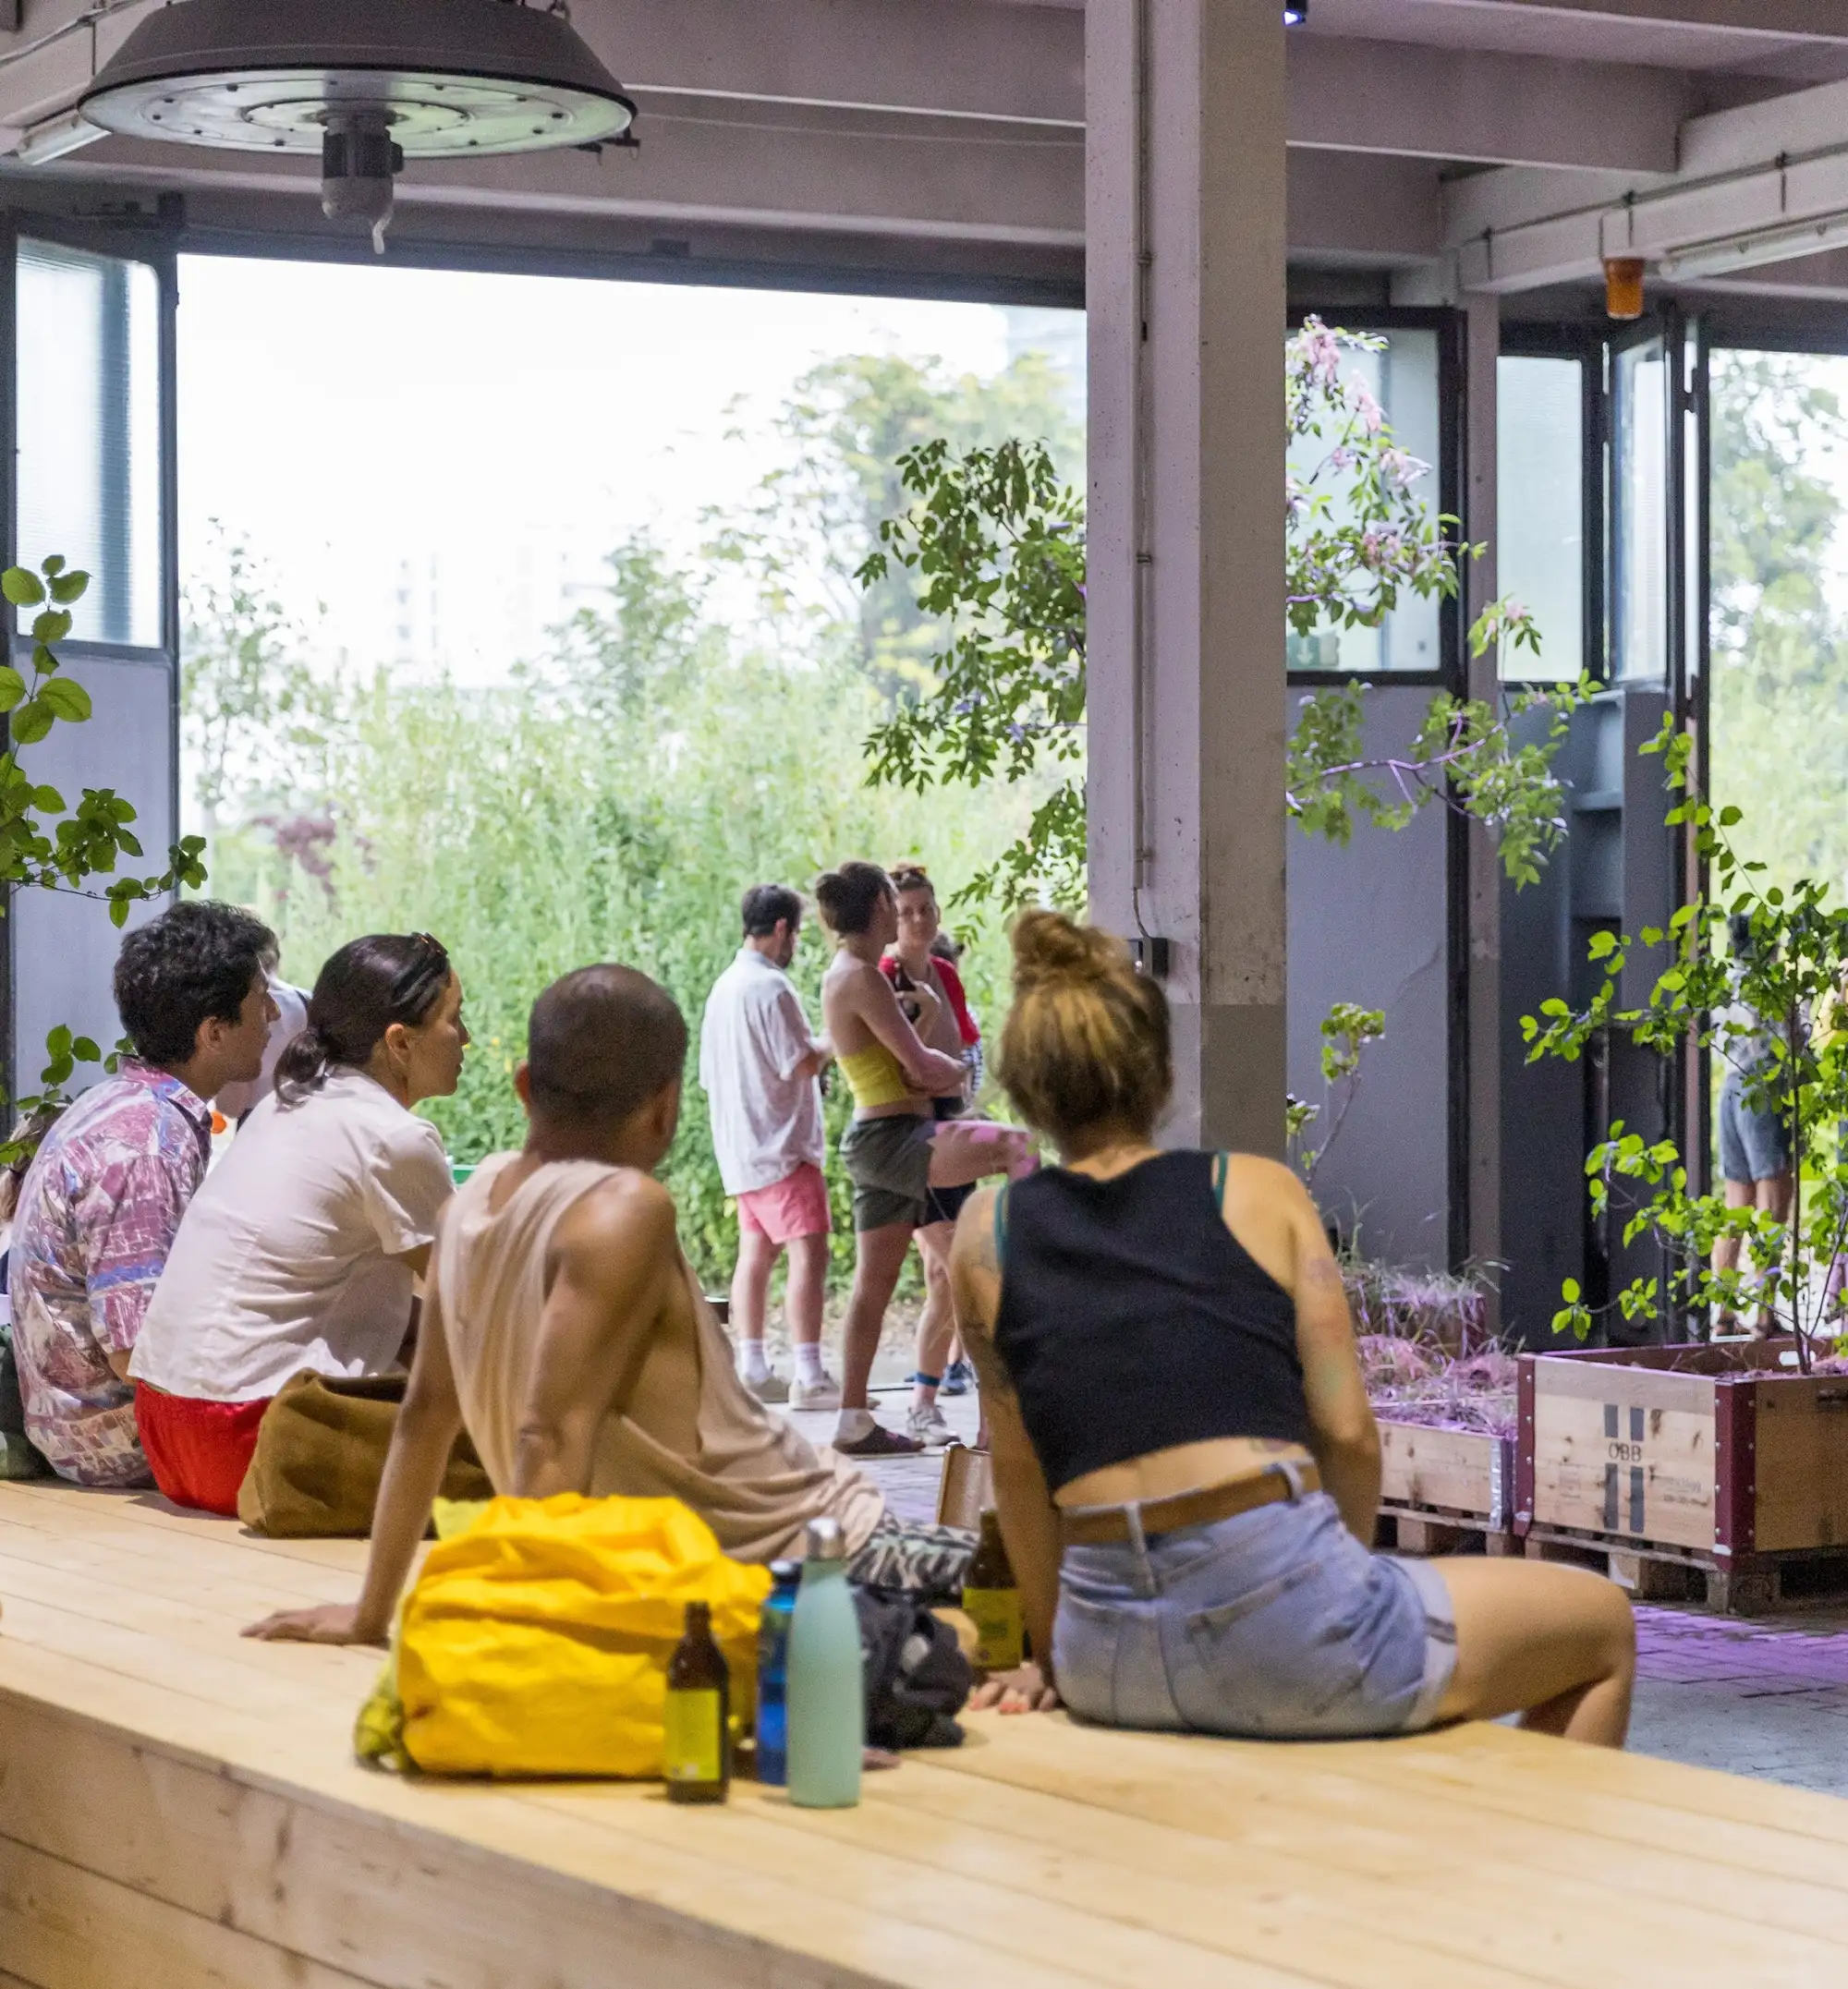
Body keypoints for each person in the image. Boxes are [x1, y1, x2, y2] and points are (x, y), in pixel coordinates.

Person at [951, 911, 1636, 1745]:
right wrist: (1329, 1588)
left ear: (1025, 1089)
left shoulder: (986, 1234)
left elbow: (1018, 1479)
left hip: (1106, 1655)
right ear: (1163, 1074)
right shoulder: (1260, 1192)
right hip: (1290, 1620)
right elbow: (1347, 1433)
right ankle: (1513, 1876)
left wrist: (1058, 1661)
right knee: (1603, 1624)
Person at [243, 964, 979, 1649]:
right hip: (795, 1555)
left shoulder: (471, 1207)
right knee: (1038, 1599)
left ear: (526, 1086)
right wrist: (520, 1629)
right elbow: (551, 1434)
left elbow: (426, 1415)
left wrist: (373, 1612)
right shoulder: (625, 1209)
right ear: (666, 1107)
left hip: (758, 1547)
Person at [128, 933, 468, 1515]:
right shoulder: (395, 1138)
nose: (464, 1039)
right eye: (454, 1019)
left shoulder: (285, 1104)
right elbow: (475, 1305)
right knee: (543, 1444)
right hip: (250, 1442)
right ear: (399, 1042)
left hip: (165, 1431)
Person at [8, 901, 277, 1486]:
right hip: (110, 1438)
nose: (275, 1014)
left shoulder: (121, 1103)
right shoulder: (145, 1144)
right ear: (214, 1031)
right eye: (262, 1001)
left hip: (78, 1421)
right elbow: (137, 1354)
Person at [817, 861, 1027, 1458]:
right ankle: (1032, 1239)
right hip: (900, 1140)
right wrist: (960, 1070)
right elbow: (924, 1068)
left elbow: (919, 1051)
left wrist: (934, 1028)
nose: (908, 915)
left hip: (887, 1140)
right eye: (897, 904)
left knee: (875, 1286)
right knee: (1018, 1148)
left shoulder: (859, 974)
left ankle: (853, 1418)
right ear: (881, 907)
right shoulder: (862, 975)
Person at [698, 884, 838, 1410]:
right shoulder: (771, 989)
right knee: (810, 1251)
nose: (796, 944)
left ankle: (752, 1365)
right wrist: (834, 1036)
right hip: (782, 1142)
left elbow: (709, 1077)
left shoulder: (723, 989)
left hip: (740, 1145)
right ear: (781, 928)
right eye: (796, 933)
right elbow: (800, 1061)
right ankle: (809, 1373)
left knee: (755, 1253)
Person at [881, 865, 983, 1447]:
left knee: (945, 1278)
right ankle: (933, 1400)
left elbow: (963, 1056)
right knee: (959, 1268)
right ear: (890, 921)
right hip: (912, 1138)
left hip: (953, 1126)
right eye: (905, 911)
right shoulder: (886, 977)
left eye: (925, 908)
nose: (918, 920)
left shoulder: (944, 973)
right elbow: (912, 1070)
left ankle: (926, 1398)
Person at [1712, 913, 1795, 1338]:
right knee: (1772, 1205)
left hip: (1728, 1091)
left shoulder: (1725, 983)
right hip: (1762, 1090)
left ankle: (1724, 1315)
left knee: (1735, 1207)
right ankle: (1765, 1314)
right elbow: (1795, 1041)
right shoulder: (1772, 985)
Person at [213, 935, 311, 1123]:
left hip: (259, 1123)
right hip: (307, 1119)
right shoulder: (310, 1001)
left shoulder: (242, 1010)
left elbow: (232, 1106)